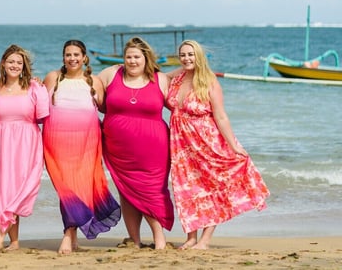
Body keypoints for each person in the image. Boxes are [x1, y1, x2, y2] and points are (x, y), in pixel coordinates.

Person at [166, 40, 270, 249]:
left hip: (207, 142)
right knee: (186, 190)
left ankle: (204, 240)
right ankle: (191, 238)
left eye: (191, 55)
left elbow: (221, 116)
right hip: (181, 145)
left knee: (212, 187)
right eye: (183, 55)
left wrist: (233, 145)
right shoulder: (176, 79)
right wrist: (185, 67)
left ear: (199, 57)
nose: (186, 58)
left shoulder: (209, 81)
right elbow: (159, 75)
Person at [42, 40, 122, 254]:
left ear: (84, 57)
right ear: (63, 57)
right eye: (68, 54)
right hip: (55, 144)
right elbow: (38, 106)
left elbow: (106, 108)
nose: (72, 58)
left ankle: (69, 236)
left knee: (80, 188)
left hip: (86, 143)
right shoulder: (52, 78)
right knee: (65, 189)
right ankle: (71, 233)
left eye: (77, 54)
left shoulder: (94, 81)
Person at [98, 36, 174, 250]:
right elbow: (85, 85)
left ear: (145, 58)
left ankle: (160, 239)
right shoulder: (111, 73)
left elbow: (178, 106)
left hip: (154, 148)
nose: (132, 61)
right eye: (128, 57)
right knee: (126, 191)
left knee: (154, 190)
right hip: (118, 147)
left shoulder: (159, 79)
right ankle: (135, 240)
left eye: (136, 57)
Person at [0, 44, 50, 255]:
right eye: (11, 62)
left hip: (27, 144)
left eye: (19, 62)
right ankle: (14, 241)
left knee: (19, 189)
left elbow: (44, 118)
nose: (15, 66)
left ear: (24, 66)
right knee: (1, 190)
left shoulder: (35, 88)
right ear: (2, 64)